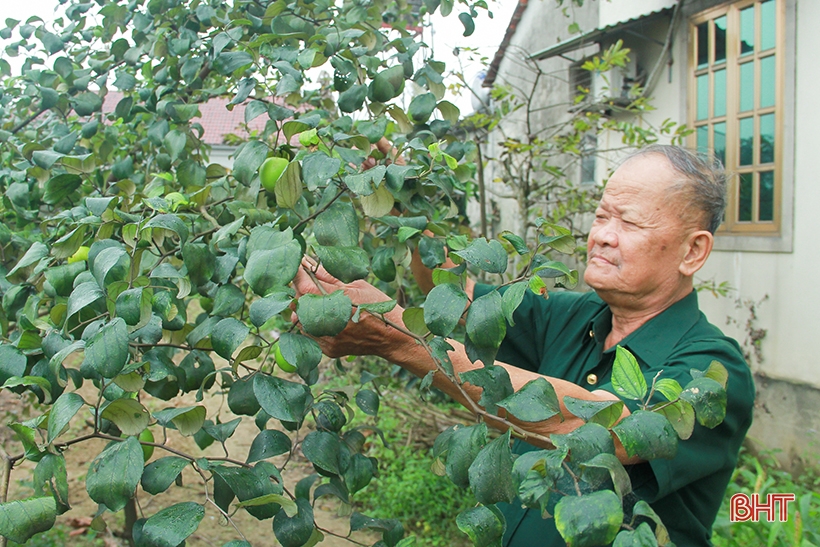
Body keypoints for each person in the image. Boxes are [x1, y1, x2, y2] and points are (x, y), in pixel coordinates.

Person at [292, 145, 755, 547]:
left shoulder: (712, 372)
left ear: (692, 251)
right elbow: (459, 298)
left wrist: (397, 337)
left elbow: (597, 428)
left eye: (630, 222)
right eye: (601, 216)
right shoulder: (573, 316)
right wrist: (403, 199)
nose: (603, 235)